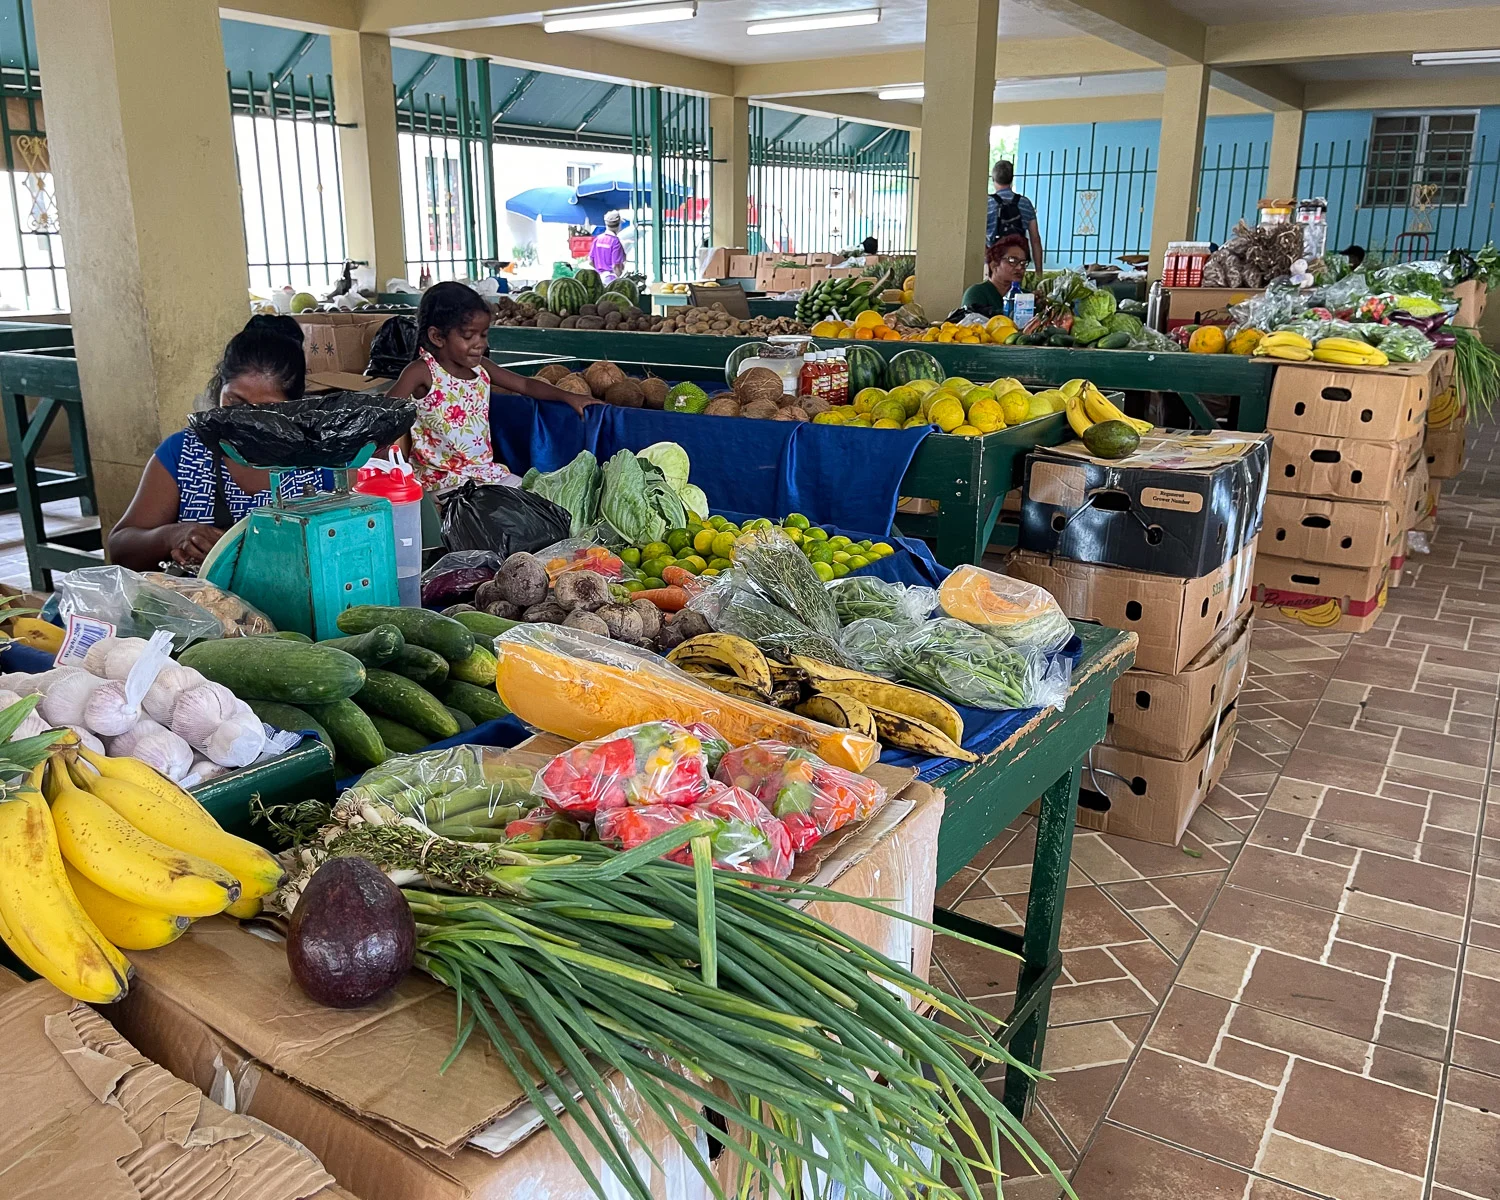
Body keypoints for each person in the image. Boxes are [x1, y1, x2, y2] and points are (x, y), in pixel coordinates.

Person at [109, 315, 332, 571]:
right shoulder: (184, 453)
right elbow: (120, 548)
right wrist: (173, 535)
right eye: (235, 402)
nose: (248, 420)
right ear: (220, 389)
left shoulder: (322, 461)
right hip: (197, 605)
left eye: (268, 409)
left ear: (294, 407)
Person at [387, 281, 597, 493]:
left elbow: (524, 384)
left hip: (483, 474)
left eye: (484, 335)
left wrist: (569, 397)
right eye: (469, 336)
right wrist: (379, 455)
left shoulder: (481, 368)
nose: (481, 344)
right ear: (437, 337)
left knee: (539, 498)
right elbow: (382, 413)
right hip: (442, 482)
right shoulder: (422, 372)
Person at [987, 160, 1043, 270]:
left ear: (993, 179)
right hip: (1018, 263)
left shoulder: (987, 203)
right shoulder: (1025, 203)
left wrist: (986, 260)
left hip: (994, 264)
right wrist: (1039, 271)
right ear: (1012, 179)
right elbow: (1035, 239)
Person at [963, 234, 1030, 314]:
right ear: (994, 265)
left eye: (1023, 263)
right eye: (1012, 261)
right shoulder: (977, 292)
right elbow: (972, 320)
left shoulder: (1026, 297)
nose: (1019, 267)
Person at [590, 211, 626, 283]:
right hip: (611, 279)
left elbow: (590, 261)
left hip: (599, 279)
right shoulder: (615, 242)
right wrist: (621, 280)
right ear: (619, 225)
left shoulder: (597, 239)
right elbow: (616, 266)